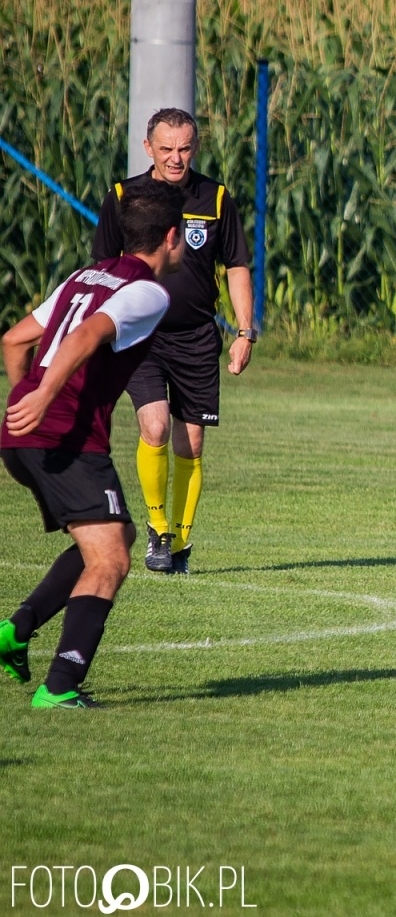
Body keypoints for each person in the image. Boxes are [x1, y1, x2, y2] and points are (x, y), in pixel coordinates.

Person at [0, 184, 185, 708]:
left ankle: (16, 630)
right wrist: (44, 399)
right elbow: (87, 336)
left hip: (23, 435)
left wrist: (25, 403)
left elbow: (14, 339)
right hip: (62, 435)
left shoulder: (86, 274)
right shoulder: (149, 292)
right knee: (110, 561)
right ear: (170, 238)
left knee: (115, 536)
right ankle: (59, 687)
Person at [92, 108, 256, 575]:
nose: (175, 158)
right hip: (141, 334)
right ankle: (158, 530)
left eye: (184, 148)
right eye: (166, 149)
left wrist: (245, 332)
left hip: (198, 337)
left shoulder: (215, 197)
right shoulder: (124, 197)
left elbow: (238, 265)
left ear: (195, 147)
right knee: (155, 427)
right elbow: (100, 268)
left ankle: (180, 544)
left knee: (192, 444)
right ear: (149, 149)